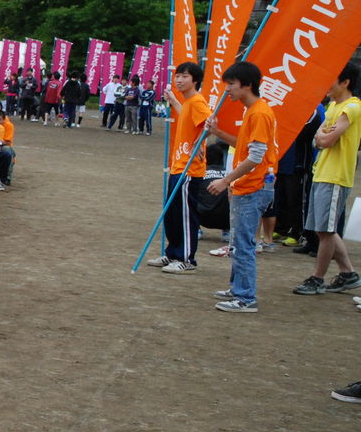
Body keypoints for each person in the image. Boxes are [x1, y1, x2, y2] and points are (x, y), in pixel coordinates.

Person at [206, 61, 277, 313]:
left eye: (232, 85)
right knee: (238, 240)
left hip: (254, 186)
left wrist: (226, 179)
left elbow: (256, 156)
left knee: (244, 242)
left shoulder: (259, 112)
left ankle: (245, 298)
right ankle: (238, 287)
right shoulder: (253, 111)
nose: (228, 90)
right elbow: (245, 145)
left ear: (247, 85)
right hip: (246, 185)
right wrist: (218, 132)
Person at [291, 63, 361, 296]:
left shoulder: (352, 107)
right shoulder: (332, 105)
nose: (326, 85)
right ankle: (348, 273)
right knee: (324, 230)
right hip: (322, 172)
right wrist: (324, 135)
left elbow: (326, 140)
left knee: (326, 230)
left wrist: (324, 135)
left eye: (331, 79)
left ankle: (317, 278)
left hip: (336, 175)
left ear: (345, 82)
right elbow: (317, 138)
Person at [147, 62, 209, 273]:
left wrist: (199, 141)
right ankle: (172, 253)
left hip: (190, 169)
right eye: (177, 76)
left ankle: (186, 258)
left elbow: (209, 123)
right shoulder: (189, 102)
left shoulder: (198, 101)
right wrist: (174, 100)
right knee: (172, 213)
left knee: (185, 214)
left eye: (184, 76)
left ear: (195, 80)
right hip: (178, 165)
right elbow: (188, 117)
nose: (179, 80)